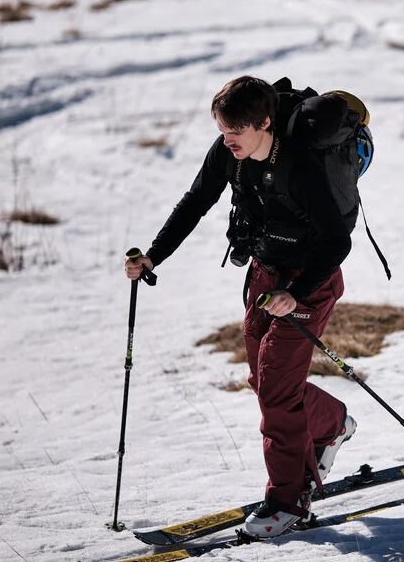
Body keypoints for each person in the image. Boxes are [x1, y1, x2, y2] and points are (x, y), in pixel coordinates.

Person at [124, 75, 359, 538]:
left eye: (235, 131)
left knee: (276, 390)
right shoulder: (227, 154)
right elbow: (195, 201)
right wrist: (153, 255)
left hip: (308, 283)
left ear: (265, 123)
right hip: (265, 276)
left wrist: (298, 291)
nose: (226, 140)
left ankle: (288, 502)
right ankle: (332, 424)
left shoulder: (300, 164)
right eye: (222, 130)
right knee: (264, 381)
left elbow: (337, 242)